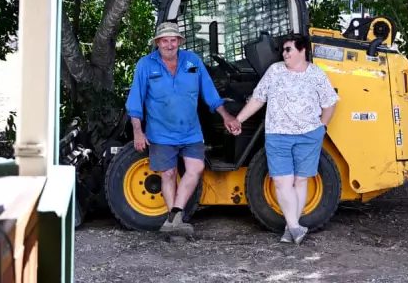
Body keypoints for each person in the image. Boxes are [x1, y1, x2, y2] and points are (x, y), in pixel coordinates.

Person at [126, 21, 241, 235]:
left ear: (179, 41)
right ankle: (175, 221)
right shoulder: (145, 65)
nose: (169, 45)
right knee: (168, 173)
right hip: (160, 131)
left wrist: (226, 115)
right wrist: (137, 131)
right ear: (158, 43)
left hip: (190, 131)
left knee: (195, 168)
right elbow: (135, 101)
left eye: (173, 40)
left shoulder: (192, 62)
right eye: (164, 41)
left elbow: (209, 92)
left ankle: (174, 217)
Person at [231, 33, 338, 245]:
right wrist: (239, 119)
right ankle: (296, 227)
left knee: (300, 180)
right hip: (278, 135)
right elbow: (258, 98)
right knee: (281, 181)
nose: (284, 53)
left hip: (308, 135)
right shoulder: (275, 71)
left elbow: (330, 103)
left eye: (288, 49)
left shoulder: (316, 74)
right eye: (283, 50)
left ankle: (291, 228)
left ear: (302, 50)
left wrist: (321, 128)